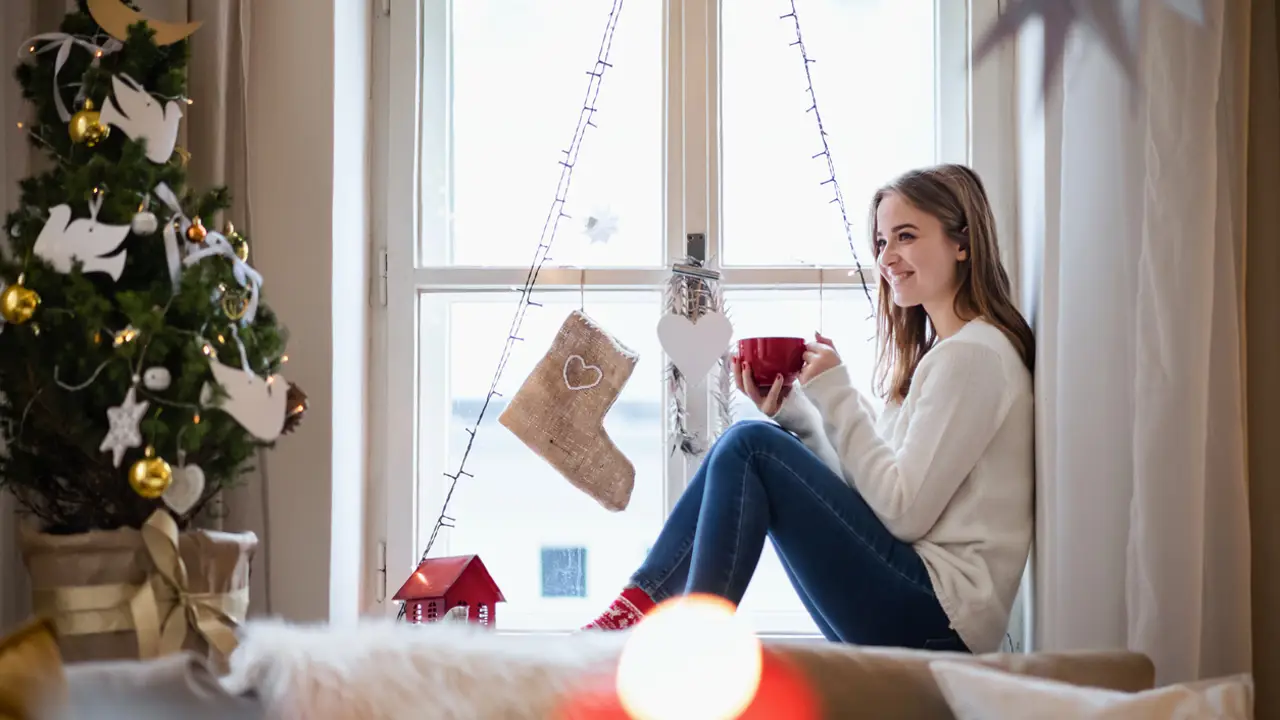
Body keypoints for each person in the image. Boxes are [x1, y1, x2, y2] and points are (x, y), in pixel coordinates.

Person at [583, 164, 1035, 654]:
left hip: (939, 616)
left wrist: (836, 392)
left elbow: (903, 514)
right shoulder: (948, 357)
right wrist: (800, 416)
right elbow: (873, 498)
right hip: (924, 605)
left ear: (961, 243)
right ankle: (640, 610)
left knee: (750, 447)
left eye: (906, 236)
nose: (888, 257)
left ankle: (679, 643)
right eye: (882, 242)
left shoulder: (974, 357)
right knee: (750, 448)